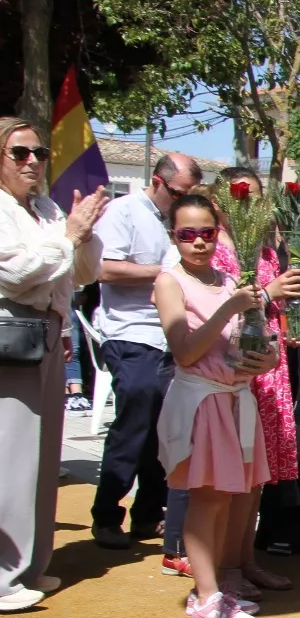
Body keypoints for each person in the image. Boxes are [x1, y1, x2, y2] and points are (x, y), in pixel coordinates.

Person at [153, 195, 278, 618]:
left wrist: (267, 359)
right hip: (201, 401)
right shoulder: (170, 282)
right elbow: (185, 351)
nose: (199, 242)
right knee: (206, 498)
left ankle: (212, 590)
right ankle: (205, 595)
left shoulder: (228, 280)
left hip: (234, 400)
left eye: (207, 232)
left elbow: (259, 343)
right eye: (188, 234)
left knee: (226, 497)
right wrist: (231, 307)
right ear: (175, 236)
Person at [0, 117, 106, 612]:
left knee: (43, 459)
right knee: (10, 459)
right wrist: (68, 235)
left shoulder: (44, 207)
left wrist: (83, 235)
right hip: (10, 334)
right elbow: (18, 273)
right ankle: (3, 576)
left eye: (39, 153)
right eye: (19, 153)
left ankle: (30, 565)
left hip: (46, 333)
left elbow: (82, 273)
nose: (33, 162)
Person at [89, 152, 202, 549]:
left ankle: (148, 515)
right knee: (135, 420)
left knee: (165, 428)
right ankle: (107, 515)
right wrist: (169, 274)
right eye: (177, 193)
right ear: (157, 181)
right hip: (131, 332)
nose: (181, 200)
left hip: (172, 335)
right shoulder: (124, 211)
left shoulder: (177, 222)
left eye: (189, 194)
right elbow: (104, 268)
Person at [208, 168, 300, 585]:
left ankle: (245, 561)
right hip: (238, 370)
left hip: (271, 367)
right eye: (242, 197)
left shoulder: (266, 252)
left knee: (257, 476)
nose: (252, 206)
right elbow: (216, 305)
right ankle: (223, 566)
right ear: (220, 203)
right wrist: (269, 294)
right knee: (235, 473)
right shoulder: (213, 250)